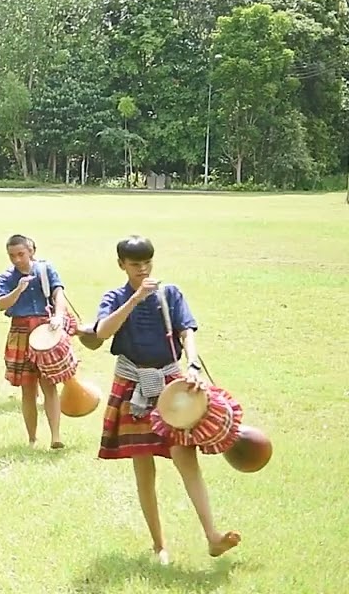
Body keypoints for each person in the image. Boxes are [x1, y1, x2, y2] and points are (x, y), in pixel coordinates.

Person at [90, 235, 240, 564]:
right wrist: (135, 299)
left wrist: (193, 364)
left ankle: (212, 536)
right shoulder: (115, 297)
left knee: (186, 457)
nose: (143, 269)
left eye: (147, 262)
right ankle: (159, 545)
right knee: (143, 467)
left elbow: (187, 331)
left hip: (171, 383)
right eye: (135, 264)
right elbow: (102, 332)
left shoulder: (170, 293)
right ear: (121, 265)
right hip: (132, 384)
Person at [0, 234, 70, 448]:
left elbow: (59, 294)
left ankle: (56, 437)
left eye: (21, 254)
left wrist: (59, 316)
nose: (17, 259)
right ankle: (32, 439)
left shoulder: (46, 269)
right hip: (21, 331)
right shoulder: (6, 277)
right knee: (27, 389)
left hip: (46, 330)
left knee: (49, 385)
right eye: (12, 255)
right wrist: (18, 289)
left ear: (31, 251)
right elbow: (0, 304)